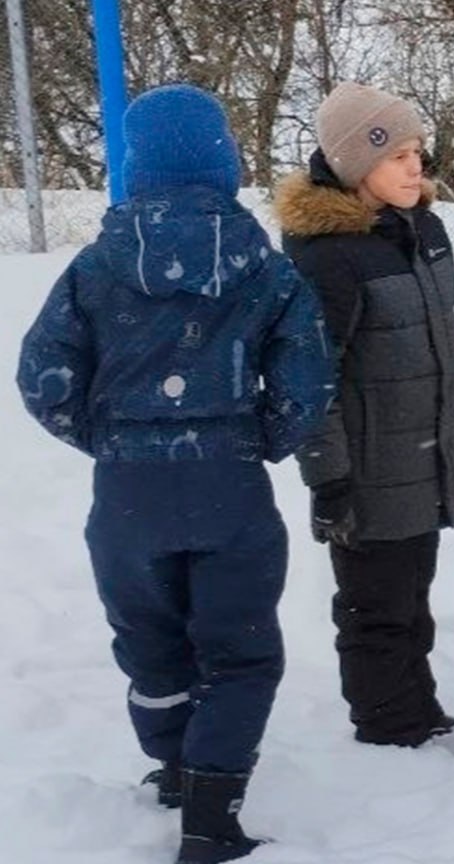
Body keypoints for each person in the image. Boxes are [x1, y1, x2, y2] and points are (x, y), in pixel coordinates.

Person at [17, 84, 333, 864]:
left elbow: (40, 374)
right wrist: (266, 435)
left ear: (135, 173)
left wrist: (106, 437)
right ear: (224, 163)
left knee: (150, 639)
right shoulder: (260, 265)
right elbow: (309, 374)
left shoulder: (95, 268)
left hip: (128, 495)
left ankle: (171, 767)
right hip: (229, 485)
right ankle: (212, 812)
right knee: (241, 649)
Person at [275, 81, 454, 751]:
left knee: (413, 595)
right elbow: (312, 378)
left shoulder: (421, 230)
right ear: (351, 165)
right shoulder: (328, 256)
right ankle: (386, 728)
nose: (413, 167)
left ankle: (416, 708)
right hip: (368, 468)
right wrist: (329, 478)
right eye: (395, 155)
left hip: (424, 454)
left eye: (417, 151)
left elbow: (447, 336)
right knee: (377, 608)